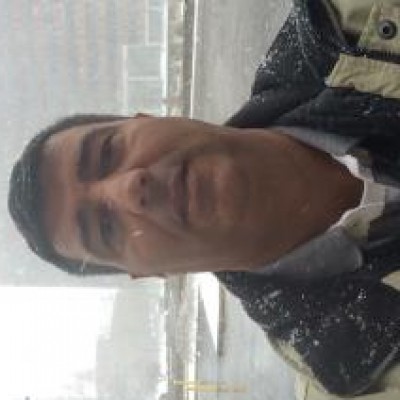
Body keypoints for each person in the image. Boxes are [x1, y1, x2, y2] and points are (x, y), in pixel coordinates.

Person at [7, 0, 400, 398]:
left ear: (146, 119)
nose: (130, 189)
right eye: (106, 228)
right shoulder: (357, 380)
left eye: (108, 152)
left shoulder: (351, 22)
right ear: (150, 272)